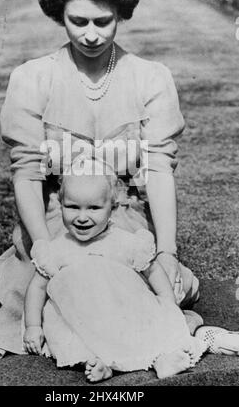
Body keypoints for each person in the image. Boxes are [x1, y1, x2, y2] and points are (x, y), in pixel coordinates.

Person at [0, 0, 239, 362]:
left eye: (102, 21)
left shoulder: (150, 77)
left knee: (145, 287)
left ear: (120, 15)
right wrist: (45, 252)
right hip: (57, 222)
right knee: (52, 295)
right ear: (60, 16)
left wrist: (168, 252)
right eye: (78, 21)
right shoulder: (33, 78)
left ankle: (171, 327)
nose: (90, 35)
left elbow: (159, 171)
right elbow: (27, 174)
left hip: (124, 220)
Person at [23, 156, 208, 382]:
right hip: (76, 319)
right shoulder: (57, 249)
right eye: (72, 207)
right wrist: (33, 326)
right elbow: (37, 288)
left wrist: (168, 305)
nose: (82, 217)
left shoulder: (125, 242)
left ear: (112, 207)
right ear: (61, 204)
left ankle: (161, 359)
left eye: (93, 208)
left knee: (149, 329)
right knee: (66, 335)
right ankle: (96, 363)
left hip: (121, 315)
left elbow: (153, 272)